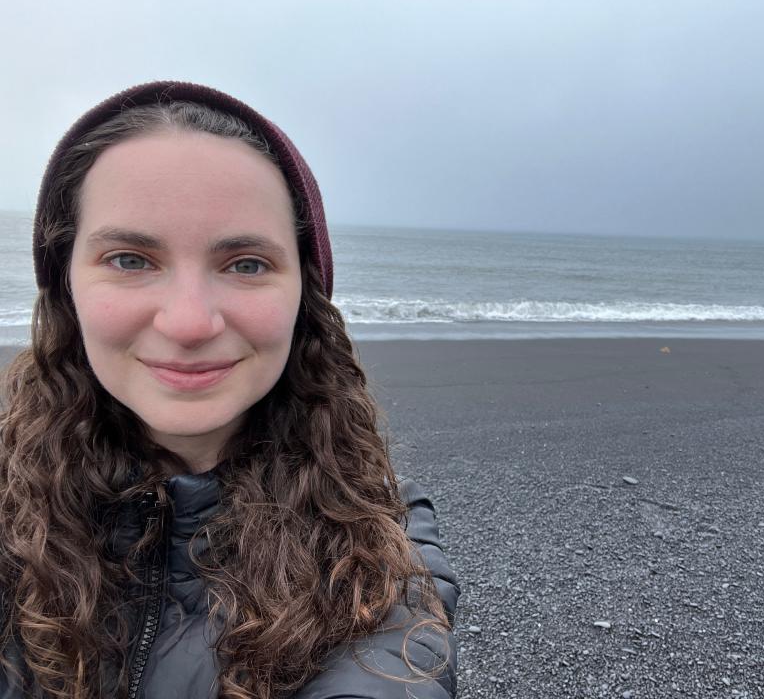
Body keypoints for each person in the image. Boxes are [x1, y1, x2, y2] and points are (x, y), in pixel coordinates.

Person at [0, 81, 459, 699]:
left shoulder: (381, 529)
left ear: (304, 295)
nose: (189, 323)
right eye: (131, 259)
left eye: (245, 264)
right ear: (66, 284)